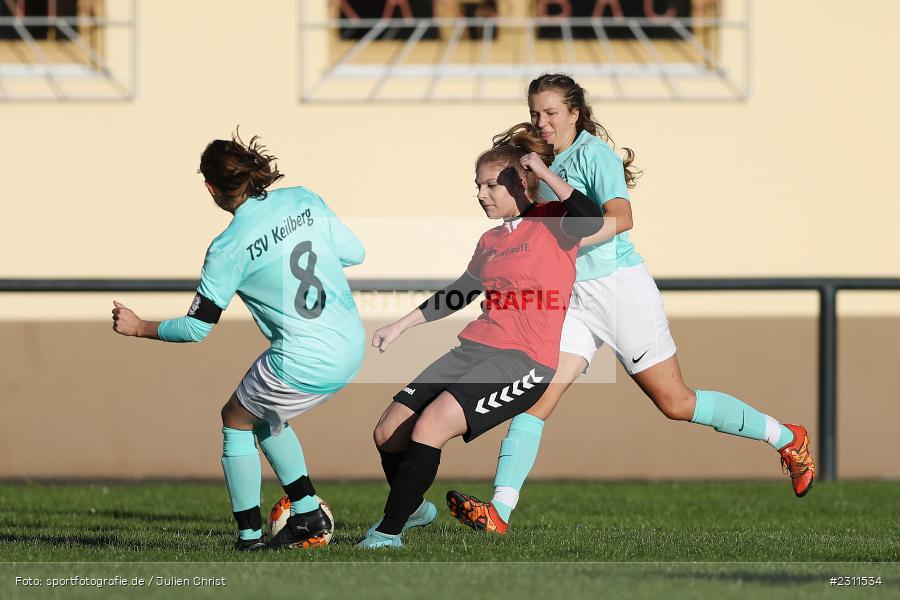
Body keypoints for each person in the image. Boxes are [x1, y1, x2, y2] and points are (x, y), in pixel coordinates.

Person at [447, 74, 816, 535]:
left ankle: (786, 438)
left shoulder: (594, 155)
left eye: (551, 112)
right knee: (536, 397)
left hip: (618, 290)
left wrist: (571, 242)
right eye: (535, 112)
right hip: (573, 299)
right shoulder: (541, 160)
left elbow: (622, 218)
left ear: (575, 113)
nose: (541, 121)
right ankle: (499, 512)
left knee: (675, 402)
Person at [111, 131, 366, 551]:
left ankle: (250, 537)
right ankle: (306, 512)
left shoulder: (227, 249)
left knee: (235, 418)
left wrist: (139, 327)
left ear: (210, 187)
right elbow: (354, 253)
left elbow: (197, 328)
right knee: (266, 418)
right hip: (351, 343)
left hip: (304, 357)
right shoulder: (304, 198)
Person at [356, 123, 604, 548]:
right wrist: (402, 325)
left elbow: (590, 217)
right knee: (388, 430)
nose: (482, 193)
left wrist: (544, 174)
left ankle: (388, 532)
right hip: (473, 348)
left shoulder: (553, 223)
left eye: (491, 184)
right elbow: (459, 292)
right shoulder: (490, 239)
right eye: (478, 185)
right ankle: (412, 508)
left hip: (524, 361)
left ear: (519, 183)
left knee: (431, 425)